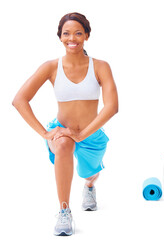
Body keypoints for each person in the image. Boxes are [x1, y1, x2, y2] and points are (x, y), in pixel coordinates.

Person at [12, 12, 118, 236]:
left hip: (92, 133)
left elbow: (112, 107)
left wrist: (81, 135)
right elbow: (19, 100)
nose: (72, 38)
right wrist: (45, 133)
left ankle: (89, 187)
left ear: (87, 36)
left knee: (89, 174)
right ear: (60, 37)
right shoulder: (51, 67)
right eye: (66, 33)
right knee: (62, 144)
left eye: (78, 33)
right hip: (62, 129)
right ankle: (64, 211)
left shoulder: (101, 66)